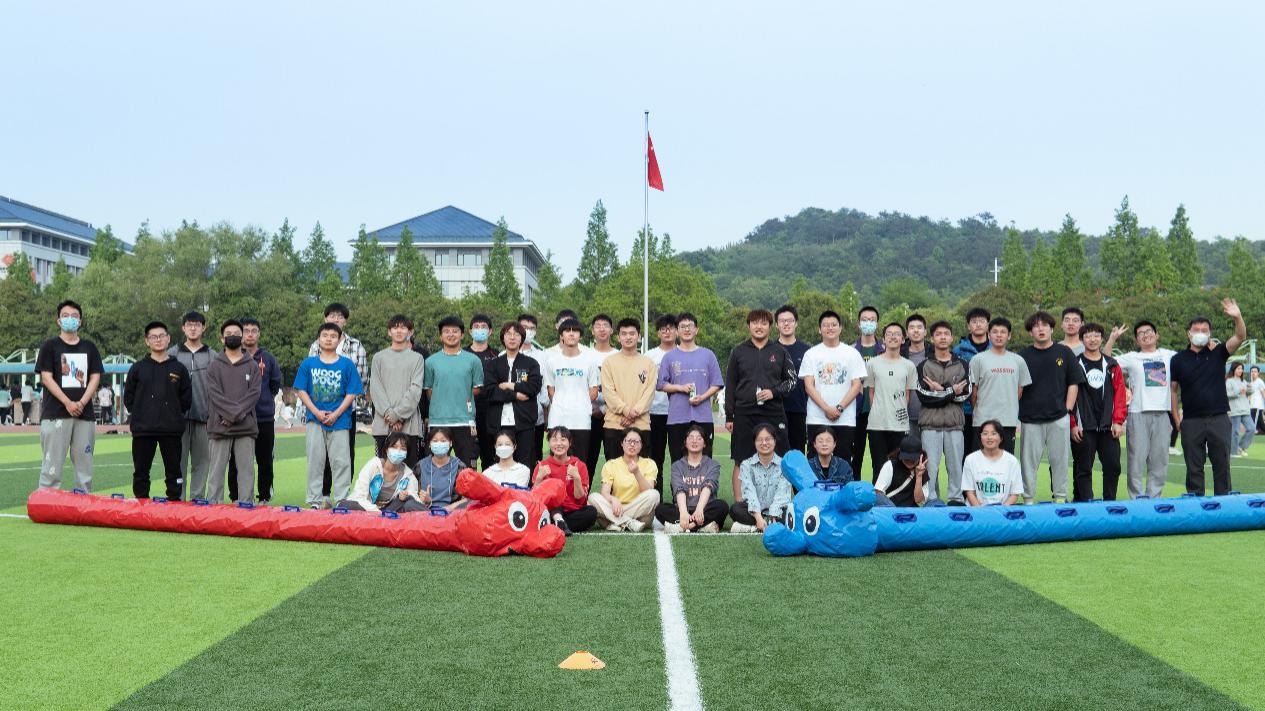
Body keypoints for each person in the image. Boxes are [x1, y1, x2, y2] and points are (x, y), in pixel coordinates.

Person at [1171, 299, 1246, 496]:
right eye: (1196, 330)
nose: (1200, 333)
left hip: (1219, 419)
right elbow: (1173, 391)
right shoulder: (1177, 359)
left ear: (1210, 333)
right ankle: (1196, 506)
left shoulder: (1218, 353)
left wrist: (1237, 317)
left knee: (1222, 467)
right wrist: (1177, 419)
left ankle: (1224, 505)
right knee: (1193, 469)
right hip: (1191, 421)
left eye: (1204, 330)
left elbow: (1240, 336)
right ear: (1188, 333)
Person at [727, 308, 799, 500]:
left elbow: (792, 380)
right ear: (749, 326)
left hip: (773, 412)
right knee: (740, 459)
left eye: (763, 323)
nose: (759, 327)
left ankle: (780, 502)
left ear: (770, 326)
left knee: (781, 458)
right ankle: (740, 504)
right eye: (755, 323)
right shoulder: (738, 352)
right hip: (744, 413)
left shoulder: (780, 351)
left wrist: (773, 392)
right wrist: (729, 415)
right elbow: (731, 384)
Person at [1018, 311, 1085, 504]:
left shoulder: (1064, 353)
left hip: (1058, 417)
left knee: (1060, 461)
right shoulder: (1022, 356)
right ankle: (1028, 499)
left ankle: (1060, 498)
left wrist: (1067, 410)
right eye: (1036, 326)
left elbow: (1074, 383)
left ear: (1052, 329)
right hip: (1030, 419)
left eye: (1044, 325)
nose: (1041, 329)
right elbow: (1017, 387)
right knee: (1028, 463)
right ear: (1030, 332)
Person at [36, 300, 103, 493]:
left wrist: (81, 403)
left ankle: (83, 501)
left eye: (74, 316)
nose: (70, 319)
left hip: (84, 415)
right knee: (51, 464)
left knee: (84, 466)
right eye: (65, 316)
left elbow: (95, 377)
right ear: (58, 321)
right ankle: (47, 500)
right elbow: (46, 378)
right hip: (55, 414)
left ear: (80, 321)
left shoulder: (89, 347)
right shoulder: (50, 346)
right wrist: (67, 402)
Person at [295, 322, 364, 509]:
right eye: (325, 335)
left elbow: (352, 392)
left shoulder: (347, 364)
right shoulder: (308, 363)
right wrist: (316, 412)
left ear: (339, 340)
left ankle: (342, 499)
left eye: (333, 336)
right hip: (314, 421)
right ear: (318, 339)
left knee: (341, 462)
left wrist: (336, 413)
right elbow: (301, 390)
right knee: (315, 461)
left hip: (340, 421)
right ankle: (314, 500)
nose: (328, 339)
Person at [307, 303, 369, 506]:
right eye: (331, 315)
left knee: (344, 455)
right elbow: (309, 381)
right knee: (319, 455)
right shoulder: (315, 346)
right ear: (325, 319)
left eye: (340, 316)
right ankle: (322, 495)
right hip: (318, 411)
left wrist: (340, 406)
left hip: (345, 411)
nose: (335, 319)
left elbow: (362, 379)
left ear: (345, 321)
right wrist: (318, 409)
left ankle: (343, 497)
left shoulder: (356, 345)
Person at [123, 321, 192, 500]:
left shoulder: (179, 368)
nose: (158, 340)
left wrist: (173, 414)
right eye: (153, 337)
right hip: (143, 429)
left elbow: (186, 399)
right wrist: (141, 414)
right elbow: (128, 397)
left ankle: (174, 505)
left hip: (171, 429)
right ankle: (141, 504)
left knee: (174, 471)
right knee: (141, 472)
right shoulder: (138, 368)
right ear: (147, 341)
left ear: (168, 339)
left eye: (162, 336)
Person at [1115, 320, 1179, 499]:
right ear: (1137, 340)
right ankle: (1137, 498)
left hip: (1162, 414)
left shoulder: (1168, 355)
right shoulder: (1132, 357)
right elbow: (1105, 361)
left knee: (1159, 460)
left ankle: (1154, 498)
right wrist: (1113, 339)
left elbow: (1189, 359)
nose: (1145, 335)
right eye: (1141, 333)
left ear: (1157, 335)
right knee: (1136, 459)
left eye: (1149, 331)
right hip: (1138, 413)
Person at [799, 310, 865, 476]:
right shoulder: (811, 354)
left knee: (843, 462)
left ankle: (841, 493)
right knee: (814, 465)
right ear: (819, 329)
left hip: (845, 419)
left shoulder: (852, 353)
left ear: (840, 328)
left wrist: (839, 408)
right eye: (826, 325)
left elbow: (856, 385)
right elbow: (809, 386)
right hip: (817, 417)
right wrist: (826, 408)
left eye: (834, 325)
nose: (830, 328)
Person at [205, 320, 262, 504]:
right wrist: (231, 415)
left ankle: (246, 506)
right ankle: (214, 506)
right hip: (219, 426)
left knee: (246, 472)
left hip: (245, 427)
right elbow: (215, 395)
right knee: (216, 472)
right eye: (228, 334)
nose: (233, 337)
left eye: (237, 334)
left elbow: (254, 394)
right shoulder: (214, 365)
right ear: (222, 339)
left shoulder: (252, 365)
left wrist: (233, 416)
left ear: (242, 337)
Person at [1070, 324, 1127, 501]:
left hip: (1108, 426)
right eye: (1088, 336)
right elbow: (1068, 395)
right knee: (1083, 468)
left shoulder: (1112, 365)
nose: (1092, 339)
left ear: (1102, 339)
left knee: (1113, 466)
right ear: (1082, 340)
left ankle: (1109, 503)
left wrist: (1118, 421)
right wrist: (1072, 424)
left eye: (1096, 336)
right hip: (1083, 427)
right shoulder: (1074, 364)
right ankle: (1087, 504)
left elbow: (1120, 394)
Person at [228, 317, 283, 503]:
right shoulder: (233, 356)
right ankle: (236, 497)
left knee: (264, 459)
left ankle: (264, 497)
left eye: (254, 331)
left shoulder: (268, 359)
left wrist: (263, 400)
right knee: (236, 460)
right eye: (246, 331)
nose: (249, 334)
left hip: (263, 417)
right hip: (238, 418)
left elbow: (274, 385)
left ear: (259, 334)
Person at [657, 311, 724, 462]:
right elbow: (661, 384)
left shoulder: (708, 355)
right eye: (682, 326)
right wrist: (680, 388)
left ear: (696, 329)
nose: (686, 329)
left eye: (690, 326)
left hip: (703, 416)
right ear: (677, 331)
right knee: (678, 460)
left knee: (705, 461)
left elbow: (717, 383)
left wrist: (703, 397)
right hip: (677, 418)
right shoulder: (669, 357)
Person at [916, 321, 971, 504]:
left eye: (946, 333)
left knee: (955, 466)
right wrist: (951, 390)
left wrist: (941, 390)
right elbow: (925, 396)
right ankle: (931, 499)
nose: (942, 337)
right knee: (930, 467)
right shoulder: (923, 365)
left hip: (955, 424)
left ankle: (956, 498)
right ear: (932, 338)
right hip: (930, 424)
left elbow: (965, 394)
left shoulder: (962, 364)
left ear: (951, 338)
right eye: (938, 334)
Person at [600, 318, 657, 487]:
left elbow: (649, 392)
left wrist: (633, 414)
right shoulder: (609, 362)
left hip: (641, 425)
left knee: (641, 472)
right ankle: (613, 504)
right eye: (624, 334)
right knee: (614, 473)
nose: (628, 337)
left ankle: (642, 504)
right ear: (618, 337)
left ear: (639, 336)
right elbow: (608, 392)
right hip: (614, 424)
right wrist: (626, 411)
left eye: (632, 333)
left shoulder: (648, 363)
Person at [424, 315, 485, 467]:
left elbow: (477, 388)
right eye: (446, 331)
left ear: (462, 335)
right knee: (435, 464)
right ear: (441, 336)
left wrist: (461, 397)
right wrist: (442, 400)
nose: (451, 334)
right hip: (438, 420)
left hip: (464, 421)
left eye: (455, 331)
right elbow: (429, 390)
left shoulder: (473, 360)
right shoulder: (430, 362)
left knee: (466, 465)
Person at [369, 315, 425, 469]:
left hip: (409, 424)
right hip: (383, 423)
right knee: (383, 468)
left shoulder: (417, 358)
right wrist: (389, 414)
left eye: (403, 327)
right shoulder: (378, 357)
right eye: (395, 328)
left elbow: (415, 389)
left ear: (410, 332)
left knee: (409, 470)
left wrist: (398, 415)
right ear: (389, 332)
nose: (399, 331)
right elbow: (376, 388)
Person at [967, 317, 1031, 454]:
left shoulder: (1018, 361)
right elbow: (973, 392)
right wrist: (979, 411)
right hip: (983, 421)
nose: (999, 335)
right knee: (980, 461)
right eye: (995, 332)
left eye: (1003, 332)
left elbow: (1019, 391)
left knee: (1005, 461)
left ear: (1009, 335)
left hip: (1008, 421)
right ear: (989, 335)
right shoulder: (978, 359)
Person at [170, 310, 216, 500]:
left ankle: (197, 501)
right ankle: (178, 501)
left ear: (204, 328)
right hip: (177, 421)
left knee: (202, 464)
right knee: (177, 464)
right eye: (189, 324)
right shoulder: (172, 354)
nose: (193, 328)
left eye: (197, 325)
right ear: (183, 328)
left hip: (203, 418)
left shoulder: (213, 356)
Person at [484, 322, 543, 470]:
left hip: (524, 422)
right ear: (502, 338)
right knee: (498, 463)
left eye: (516, 334)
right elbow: (490, 392)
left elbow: (533, 387)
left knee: (525, 463)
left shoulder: (531, 363)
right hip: (498, 423)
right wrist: (516, 395)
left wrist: (510, 385)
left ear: (522, 338)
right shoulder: (493, 364)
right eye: (508, 334)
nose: (512, 337)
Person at [866, 322, 918, 482]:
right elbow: (871, 393)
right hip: (877, 424)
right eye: (889, 333)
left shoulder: (909, 366)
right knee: (878, 467)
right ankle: (878, 497)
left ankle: (897, 496)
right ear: (883, 339)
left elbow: (907, 395)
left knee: (898, 466)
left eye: (897, 334)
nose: (893, 337)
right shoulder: (872, 363)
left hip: (899, 424)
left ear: (903, 339)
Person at [655, 424, 729, 533]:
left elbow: (708, 486)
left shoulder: (713, 465)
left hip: (704, 509)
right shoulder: (677, 466)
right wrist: (683, 512)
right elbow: (679, 489)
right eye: (691, 438)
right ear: (685, 442)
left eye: (699, 438)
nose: (694, 441)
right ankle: (702, 526)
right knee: (660, 509)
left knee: (722, 506)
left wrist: (699, 509)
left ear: (704, 444)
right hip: (684, 509)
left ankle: (685, 526)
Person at [544, 319, 599, 459]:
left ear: (580, 335)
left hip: (581, 419)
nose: (571, 334)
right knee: (557, 460)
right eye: (567, 330)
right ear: (561, 335)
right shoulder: (552, 361)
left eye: (575, 331)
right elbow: (551, 390)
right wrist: (562, 403)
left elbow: (594, 391)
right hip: (558, 418)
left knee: (580, 460)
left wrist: (579, 403)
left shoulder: (590, 361)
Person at [336, 431, 427, 513]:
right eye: (394, 447)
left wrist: (411, 497)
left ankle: (433, 519)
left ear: (406, 453)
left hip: (391, 510)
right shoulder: (373, 465)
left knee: (409, 503)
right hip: (368, 508)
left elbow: (415, 500)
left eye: (403, 448)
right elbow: (360, 495)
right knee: (345, 505)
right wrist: (377, 512)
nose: (398, 451)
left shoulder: (408, 474)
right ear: (386, 449)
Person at [589, 428, 660, 531]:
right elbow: (604, 492)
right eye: (629, 441)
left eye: (636, 442)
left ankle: (617, 522)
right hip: (616, 508)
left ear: (641, 445)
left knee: (654, 495)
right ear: (622, 443)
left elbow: (648, 491)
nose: (632, 444)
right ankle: (629, 522)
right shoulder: (611, 464)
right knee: (593, 497)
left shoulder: (649, 463)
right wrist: (613, 499)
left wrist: (636, 473)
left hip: (640, 512)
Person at [533, 426, 598, 535]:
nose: (559, 443)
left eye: (563, 439)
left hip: (571, 512)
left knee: (591, 513)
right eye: (554, 440)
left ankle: (556, 524)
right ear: (549, 443)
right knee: (554, 494)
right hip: (549, 511)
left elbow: (580, 500)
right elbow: (534, 498)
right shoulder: (542, 466)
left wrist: (576, 478)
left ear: (570, 442)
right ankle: (558, 522)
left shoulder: (579, 465)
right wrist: (539, 478)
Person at [729, 424, 793, 533]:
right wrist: (758, 517)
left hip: (778, 511)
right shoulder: (746, 464)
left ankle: (753, 526)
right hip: (754, 512)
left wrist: (773, 515)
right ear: (754, 442)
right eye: (760, 440)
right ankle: (765, 524)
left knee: (790, 513)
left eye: (768, 439)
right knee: (736, 509)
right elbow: (749, 492)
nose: (764, 443)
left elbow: (782, 495)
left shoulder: (784, 465)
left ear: (774, 441)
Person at [952, 307, 991, 460]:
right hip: (965, 411)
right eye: (974, 322)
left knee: (989, 454)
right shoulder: (958, 351)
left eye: (982, 321)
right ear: (968, 326)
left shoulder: (996, 349)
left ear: (988, 324)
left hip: (990, 410)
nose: (978, 324)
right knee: (966, 454)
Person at [851, 305, 884, 474]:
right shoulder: (850, 351)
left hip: (878, 412)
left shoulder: (885, 350)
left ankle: (878, 489)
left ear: (877, 324)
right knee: (855, 458)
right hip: (855, 411)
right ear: (859, 324)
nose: (868, 323)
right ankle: (854, 488)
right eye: (864, 320)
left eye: (872, 320)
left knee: (879, 459)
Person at [645, 314, 678, 482]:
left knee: (678, 457)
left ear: (677, 331)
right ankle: (655, 494)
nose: (667, 332)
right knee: (655, 458)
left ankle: (678, 492)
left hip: (678, 412)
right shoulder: (649, 356)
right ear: (658, 333)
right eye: (663, 329)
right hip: (654, 412)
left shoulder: (683, 353)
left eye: (671, 328)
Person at [585, 314, 618, 476]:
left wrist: (605, 409)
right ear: (592, 331)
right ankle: (583, 492)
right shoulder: (584, 355)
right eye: (598, 326)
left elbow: (622, 388)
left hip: (613, 416)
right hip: (588, 416)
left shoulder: (619, 355)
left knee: (614, 460)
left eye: (605, 325)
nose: (602, 329)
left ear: (611, 330)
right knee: (587, 460)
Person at [775, 305, 811, 454]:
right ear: (776, 325)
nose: (786, 324)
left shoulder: (807, 351)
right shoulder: (770, 349)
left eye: (790, 320)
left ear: (796, 323)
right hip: (775, 410)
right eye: (782, 321)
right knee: (775, 455)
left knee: (797, 455)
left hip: (799, 410)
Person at [962, 420, 1024, 506]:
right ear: (980, 437)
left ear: (1001, 438)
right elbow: (969, 491)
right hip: (976, 510)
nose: (989, 437)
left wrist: (1002, 510)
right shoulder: (970, 459)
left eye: (994, 433)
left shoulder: (1012, 461)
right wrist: (979, 509)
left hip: (1003, 510)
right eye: (985, 433)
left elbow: (1015, 493)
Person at [465, 313, 500, 468]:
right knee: (468, 455)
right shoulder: (462, 354)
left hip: (490, 411)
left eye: (483, 327)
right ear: (470, 331)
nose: (480, 329)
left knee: (489, 455)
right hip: (466, 410)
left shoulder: (497, 355)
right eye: (476, 327)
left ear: (490, 331)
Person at [517, 313, 549, 462]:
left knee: (535, 457)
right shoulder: (503, 355)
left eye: (532, 328)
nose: (528, 331)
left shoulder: (543, 356)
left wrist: (545, 411)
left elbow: (546, 387)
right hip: (511, 417)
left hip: (536, 417)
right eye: (524, 327)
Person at [415, 427, 468, 510]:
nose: (439, 444)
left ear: (450, 443)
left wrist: (449, 508)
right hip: (424, 510)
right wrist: (424, 500)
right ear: (429, 444)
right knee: (408, 504)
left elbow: (468, 497)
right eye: (435, 441)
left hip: (452, 511)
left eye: (443, 441)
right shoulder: (421, 465)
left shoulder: (459, 466)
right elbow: (412, 492)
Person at [873, 435, 928, 507]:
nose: (909, 461)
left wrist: (919, 476)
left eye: (912, 459)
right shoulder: (890, 465)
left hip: (911, 510)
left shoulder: (922, 470)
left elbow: (919, 500)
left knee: (935, 502)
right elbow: (878, 492)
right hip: (890, 509)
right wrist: (892, 508)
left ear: (920, 456)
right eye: (906, 458)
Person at [902, 314, 929, 440]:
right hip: (905, 416)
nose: (916, 330)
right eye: (912, 327)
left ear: (925, 332)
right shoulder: (899, 353)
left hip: (930, 415)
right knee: (907, 451)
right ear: (907, 332)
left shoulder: (934, 353)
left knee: (929, 452)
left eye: (919, 327)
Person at [1226, 363, 1253, 457]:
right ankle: (1233, 452)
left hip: (1245, 409)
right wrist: (1238, 391)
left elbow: (1249, 393)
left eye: (1241, 369)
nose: (1241, 370)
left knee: (1252, 428)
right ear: (1234, 369)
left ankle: (1240, 447)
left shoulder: (1244, 381)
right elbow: (1227, 395)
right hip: (1235, 410)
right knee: (1235, 432)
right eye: (1238, 368)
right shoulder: (1229, 381)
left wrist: (1249, 388)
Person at [1249, 366, 1265, 434]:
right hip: (1252, 406)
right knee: (1259, 423)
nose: (1253, 373)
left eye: (1255, 371)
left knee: (1255, 424)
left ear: (1258, 373)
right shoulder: (1251, 383)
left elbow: (1263, 394)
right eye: (1252, 371)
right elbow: (1250, 396)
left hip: (1258, 406)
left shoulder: (1260, 382)